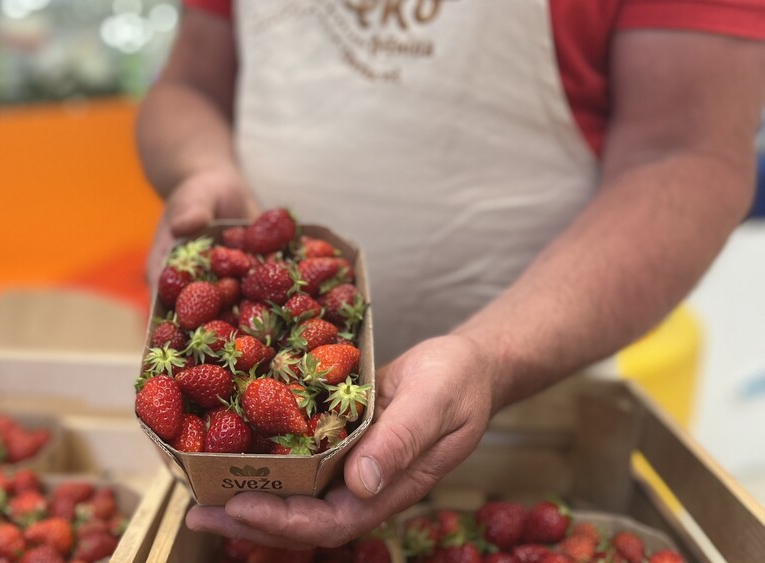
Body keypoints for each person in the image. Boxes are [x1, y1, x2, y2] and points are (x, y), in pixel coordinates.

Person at [135, 0, 765, 550]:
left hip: (525, 421)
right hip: (252, 435)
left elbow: (687, 154)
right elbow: (188, 84)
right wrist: (201, 168)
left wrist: (494, 358)